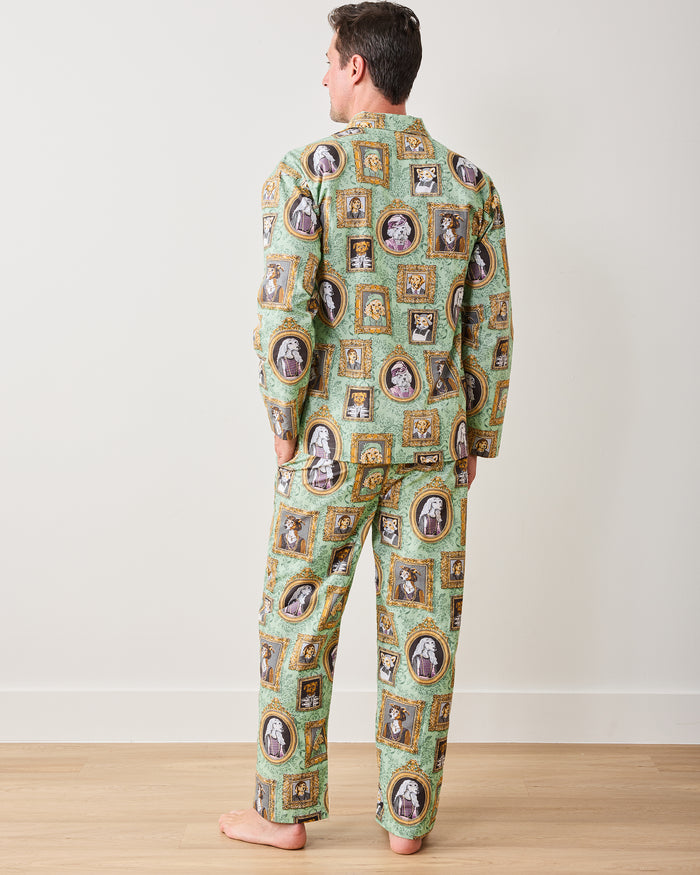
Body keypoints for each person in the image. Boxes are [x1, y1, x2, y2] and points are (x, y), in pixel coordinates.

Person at [220, 1, 512, 856]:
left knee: (297, 619)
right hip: (433, 443)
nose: (322, 73)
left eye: (329, 58)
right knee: (423, 628)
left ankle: (284, 812)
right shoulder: (470, 183)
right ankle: (407, 822)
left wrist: (283, 420)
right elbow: (491, 325)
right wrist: (479, 430)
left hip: (330, 445)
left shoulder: (305, 171)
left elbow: (285, 308)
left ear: (356, 67)